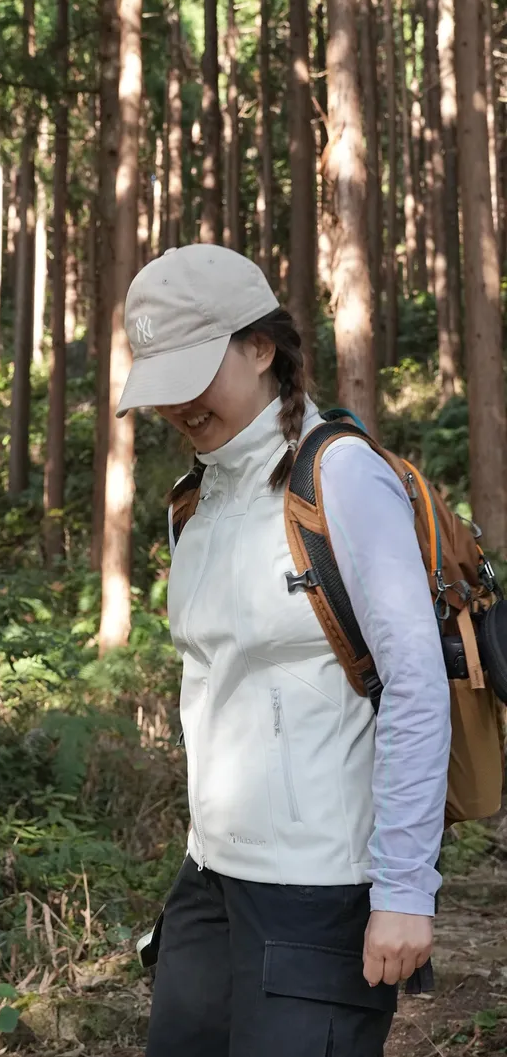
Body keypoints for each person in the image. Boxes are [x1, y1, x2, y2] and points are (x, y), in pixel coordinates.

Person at [116, 245, 451, 1057]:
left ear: (261, 347)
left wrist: (405, 890)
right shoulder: (195, 501)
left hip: (320, 891)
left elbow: (415, 683)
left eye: (196, 372)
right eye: (163, 385)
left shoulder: (339, 475)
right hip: (209, 880)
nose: (179, 406)